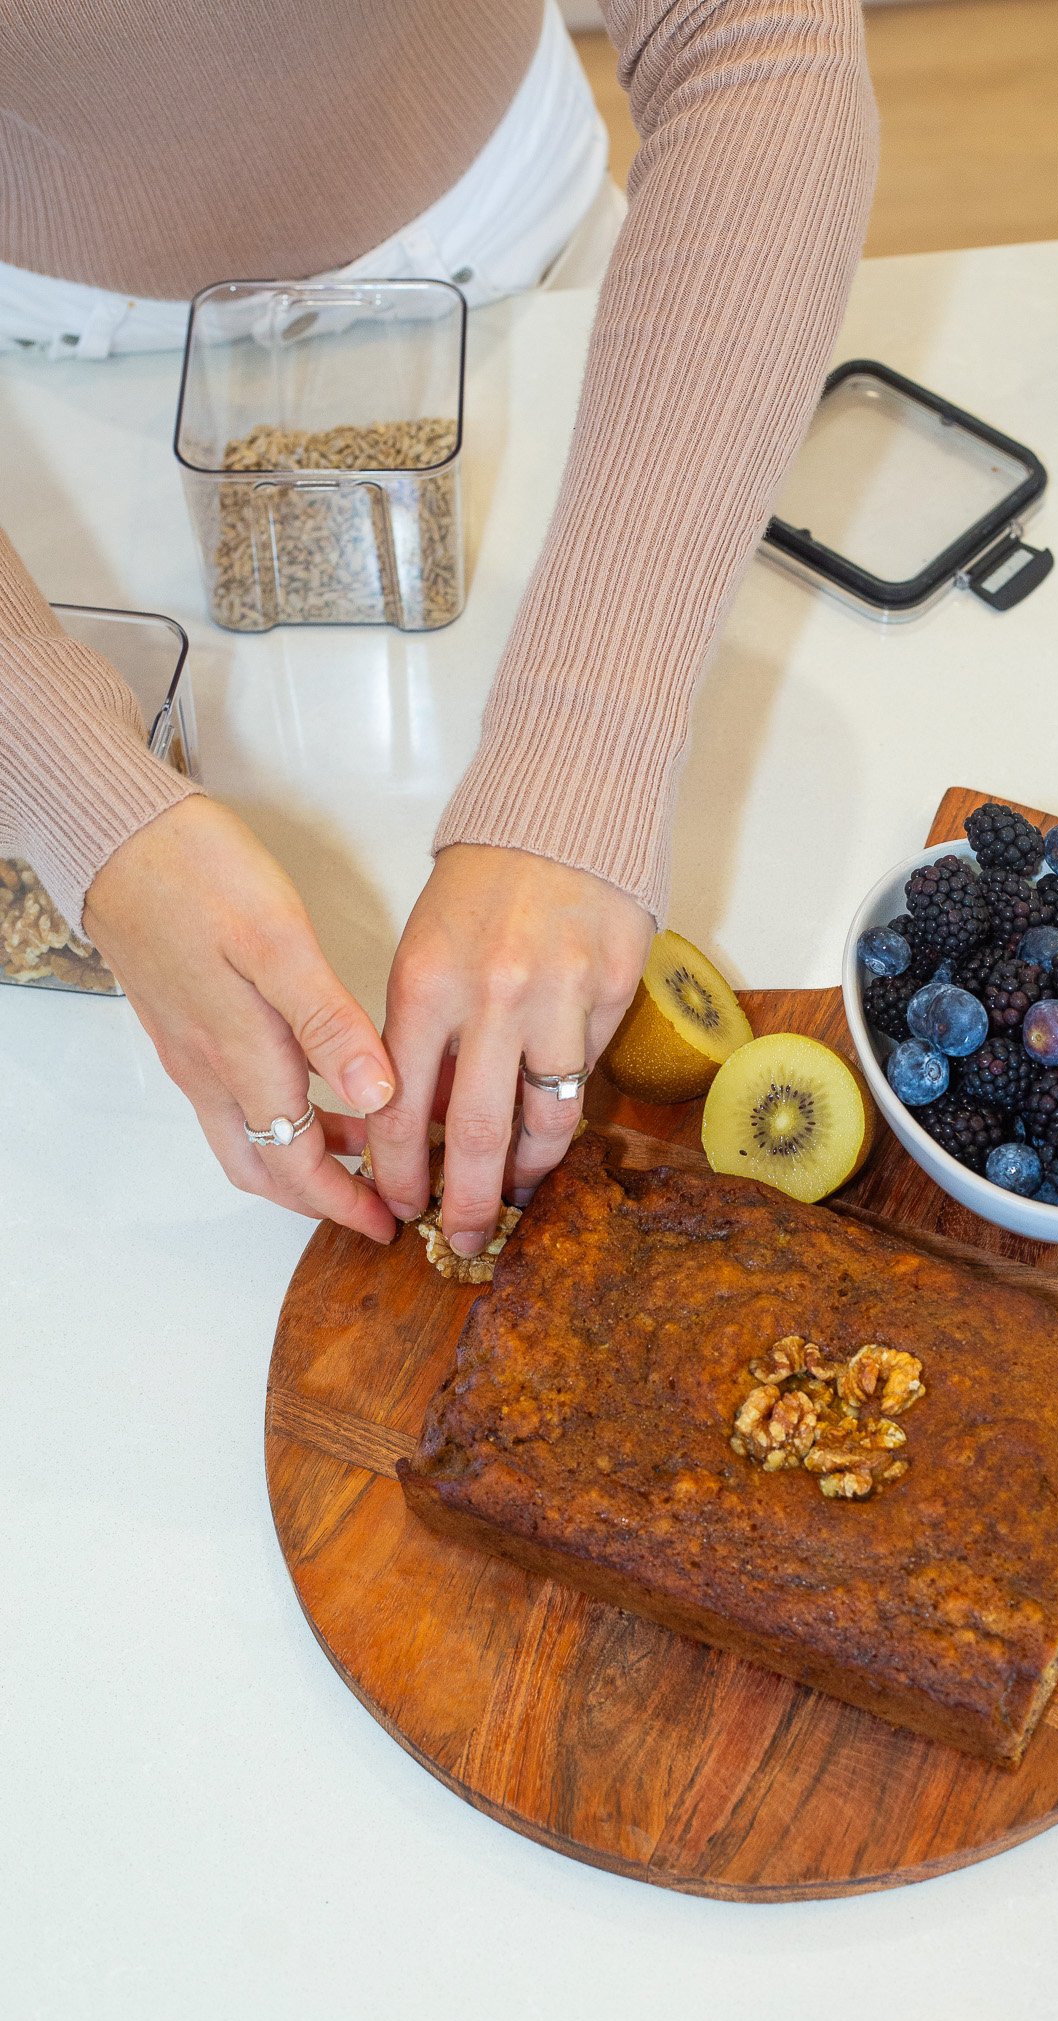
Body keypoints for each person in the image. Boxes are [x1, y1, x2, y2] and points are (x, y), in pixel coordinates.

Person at [0, 1, 877, 1254]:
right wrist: (75, 794)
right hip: (55, 365)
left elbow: (753, 37)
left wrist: (585, 746)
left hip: (514, 258)